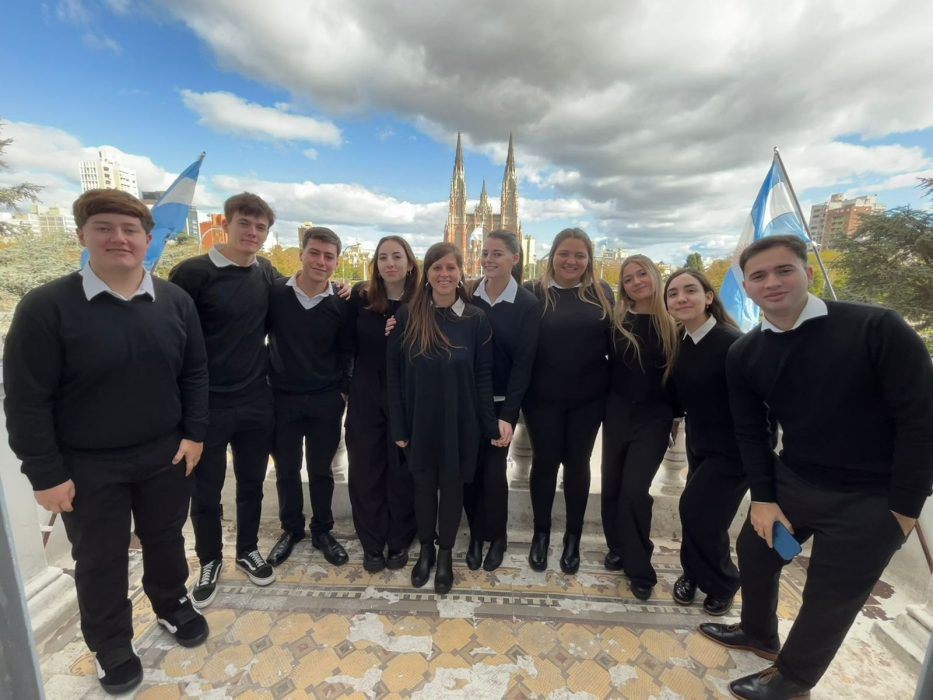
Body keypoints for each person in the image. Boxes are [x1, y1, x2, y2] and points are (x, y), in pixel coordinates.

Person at [700, 235, 933, 700]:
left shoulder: (876, 327)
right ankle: (759, 633)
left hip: (873, 496)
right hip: (796, 479)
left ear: (807, 273)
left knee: (829, 595)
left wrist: (905, 508)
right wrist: (763, 498)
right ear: (745, 287)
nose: (772, 282)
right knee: (756, 550)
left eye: (784, 270)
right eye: (759, 275)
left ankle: (793, 680)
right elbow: (752, 432)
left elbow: (921, 417)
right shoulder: (745, 354)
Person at [3, 189, 209, 695]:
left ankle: (171, 603)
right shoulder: (46, 307)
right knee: (99, 558)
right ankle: (111, 642)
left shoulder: (174, 302)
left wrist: (195, 434)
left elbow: (195, 373)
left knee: (165, 537)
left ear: (147, 239)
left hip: (165, 453)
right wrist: (44, 472)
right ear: (83, 236)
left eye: (130, 229)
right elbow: (26, 397)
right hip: (87, 464)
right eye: (104, 228)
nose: (118, 238)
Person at [168, 192, 279, 608]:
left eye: (260, 227)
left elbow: (289, 305)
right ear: (225, 225)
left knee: (252, 483)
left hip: (255, 400)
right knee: (207, 490)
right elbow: (173, 340)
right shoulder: (192, 274)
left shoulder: (265, 272)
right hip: (206, 405)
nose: (252, 233)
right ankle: (210, 560)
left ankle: (247, 550)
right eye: (244, 224)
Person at [387, 242, 499, 594]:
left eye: (451, 267)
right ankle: (425, 551)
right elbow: (394, 375)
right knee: (422, 491)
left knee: (451, 491)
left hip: (460, 424)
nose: (444, 274)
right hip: (419, 422)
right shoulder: (407, 316)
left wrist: (487, 425)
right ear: (427, 273)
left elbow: (483, 376)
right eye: (437, 268)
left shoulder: (475, 319)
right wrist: (400, 427)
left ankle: (446, 553)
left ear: (461, 273)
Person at [523, 228, 614, 574]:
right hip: (541, 399)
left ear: (588, 260)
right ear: (552, 255)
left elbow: (618, 343)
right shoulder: (534, 292)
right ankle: (541, 534)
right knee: (544, 464)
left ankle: (572, 537)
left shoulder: (602, 293)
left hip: (588, 400)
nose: (571, 261)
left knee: (578, 466)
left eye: (579, 255)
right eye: (564, 253)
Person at [265, 227, 353, 568]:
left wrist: (342, 391)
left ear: (336, 262)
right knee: (286, 470)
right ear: (301, 253)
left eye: (328, 256)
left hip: (325, 401)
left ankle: (322, 530)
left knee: (321, 471)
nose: (320, 261)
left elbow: (348, 351)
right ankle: (291, 529)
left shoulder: (341, 303)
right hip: (282, 399)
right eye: (314, 253)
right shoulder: (274, 294)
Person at [664, 268, 745, 615]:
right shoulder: (684, 341)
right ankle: (693, 573)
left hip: (733, 450)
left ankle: (724, 582)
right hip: (699, 443)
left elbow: (759, 407)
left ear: (708, 297)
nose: (681, 298)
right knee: (701, 515)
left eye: (690, 291)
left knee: (699, 512)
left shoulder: (732, 343)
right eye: (673, 293)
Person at [600, 255, 679, 600]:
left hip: (654, 418)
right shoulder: (616, 322)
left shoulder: (673, 323)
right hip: (617, 414)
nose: (636, 281)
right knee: (613, 487)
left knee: (634, 491)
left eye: (641, 274)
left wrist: (676, 416)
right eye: (628, 278)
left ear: (654, 277)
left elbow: (679, 378)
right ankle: (617, 545)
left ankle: (640, 566)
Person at [465, 231, 540, 571]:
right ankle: (475, 535)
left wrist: (508, 414)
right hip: (466, 402)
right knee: (468, 471)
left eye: (498, 253)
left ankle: (497, 536)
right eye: (485, 253)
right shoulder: (467, 295)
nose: (489, 259)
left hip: (499, 405)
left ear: (515, 258)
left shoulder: (526, 304)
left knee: (494, 474)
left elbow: (524, 364)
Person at [346, 236, 419, 573]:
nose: (390, 263)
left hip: (408, 395)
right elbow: (342, 345)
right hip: (365, 392)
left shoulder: (424, 301)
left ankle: (400, 537)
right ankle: (372, 541)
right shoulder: (359, 297)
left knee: (403, 468)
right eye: (383, 257)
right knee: (365, 467)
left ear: (409, 262)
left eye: (397, 256)